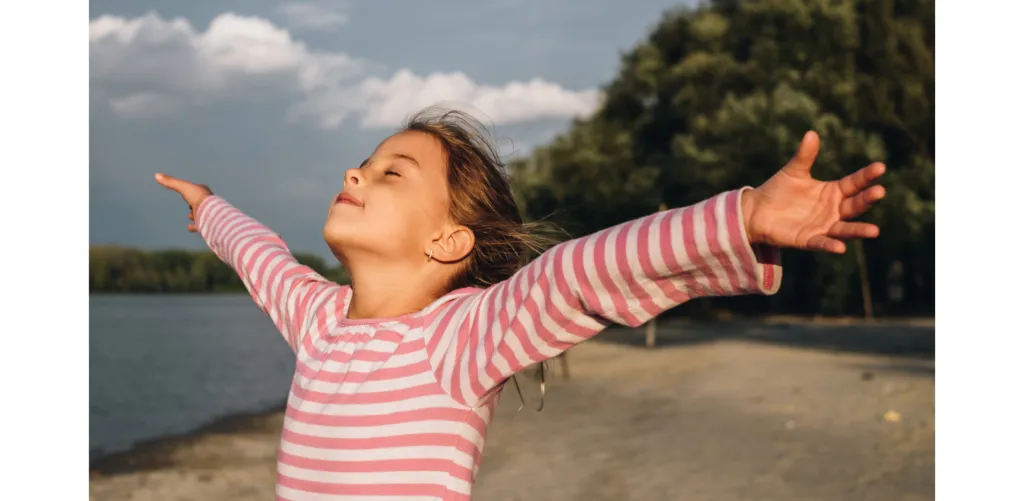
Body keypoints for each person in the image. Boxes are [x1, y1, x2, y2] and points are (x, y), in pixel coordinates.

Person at [155, 106, 886, 501]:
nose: (356, 170)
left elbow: (578, 273)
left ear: (448, 240)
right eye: (365, 162)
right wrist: (210, 207)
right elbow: (260, 257)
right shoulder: (318, 322)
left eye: (390, 172)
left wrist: (744, 216)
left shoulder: (461, 336)